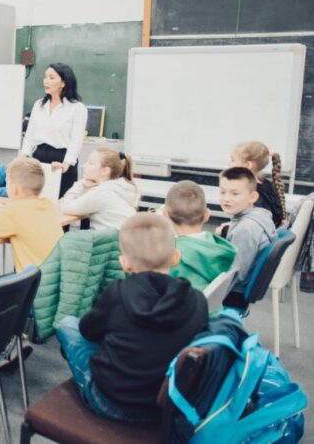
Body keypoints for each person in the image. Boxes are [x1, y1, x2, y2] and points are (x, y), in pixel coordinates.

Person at [56, 213, 208, 422]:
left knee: (68, 324)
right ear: (176, 257)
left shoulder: (118, 292)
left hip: (108, 401)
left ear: (124, 263)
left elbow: (87, 331)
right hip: (166, 407)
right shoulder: (197, 299)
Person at [0, 157, 63, 271]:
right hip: (55, 277)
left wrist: (10, 209)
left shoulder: (14, 211)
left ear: (13, 188)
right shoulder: (49, 205)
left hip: (34, 283)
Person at [20, 63, 88, 198]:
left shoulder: (77, 108)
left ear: (63, 82)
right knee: (36, 200)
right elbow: (30, 135)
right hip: (38, 157)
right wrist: (23, 156)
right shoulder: (39, 105)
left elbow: (76, 141)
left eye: (51, 77)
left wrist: (67, 164)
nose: (46, 81)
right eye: (45, 77)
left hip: (61, 159)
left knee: (60, 204)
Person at [217, 167, 277, 304]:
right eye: (222, 192)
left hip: (232, 294)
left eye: (235, 194)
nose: (226, 198)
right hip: (237, 290)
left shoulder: (246, 229)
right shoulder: (261, 215)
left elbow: (236, 275)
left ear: (253, 197)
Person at [164, 181, 236, 291]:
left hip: (182, 307)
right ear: (207, 215)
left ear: (166, 215)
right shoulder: (217, 247)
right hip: (210, 307)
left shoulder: (170, 255)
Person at [60, 148, 139, 230]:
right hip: (125, 239)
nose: (84, 166)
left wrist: (80, 184)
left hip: (112, 241)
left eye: (90, 163)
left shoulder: (103, 192)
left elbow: (66, 207)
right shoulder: (117, 187)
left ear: (105, 171)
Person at [229, 141, 287, 227]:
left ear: (247, 165)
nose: (229, 164)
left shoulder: (253, 194)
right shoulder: (267, 184)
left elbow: (252, 228)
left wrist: (225, 230)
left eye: (233, 160)